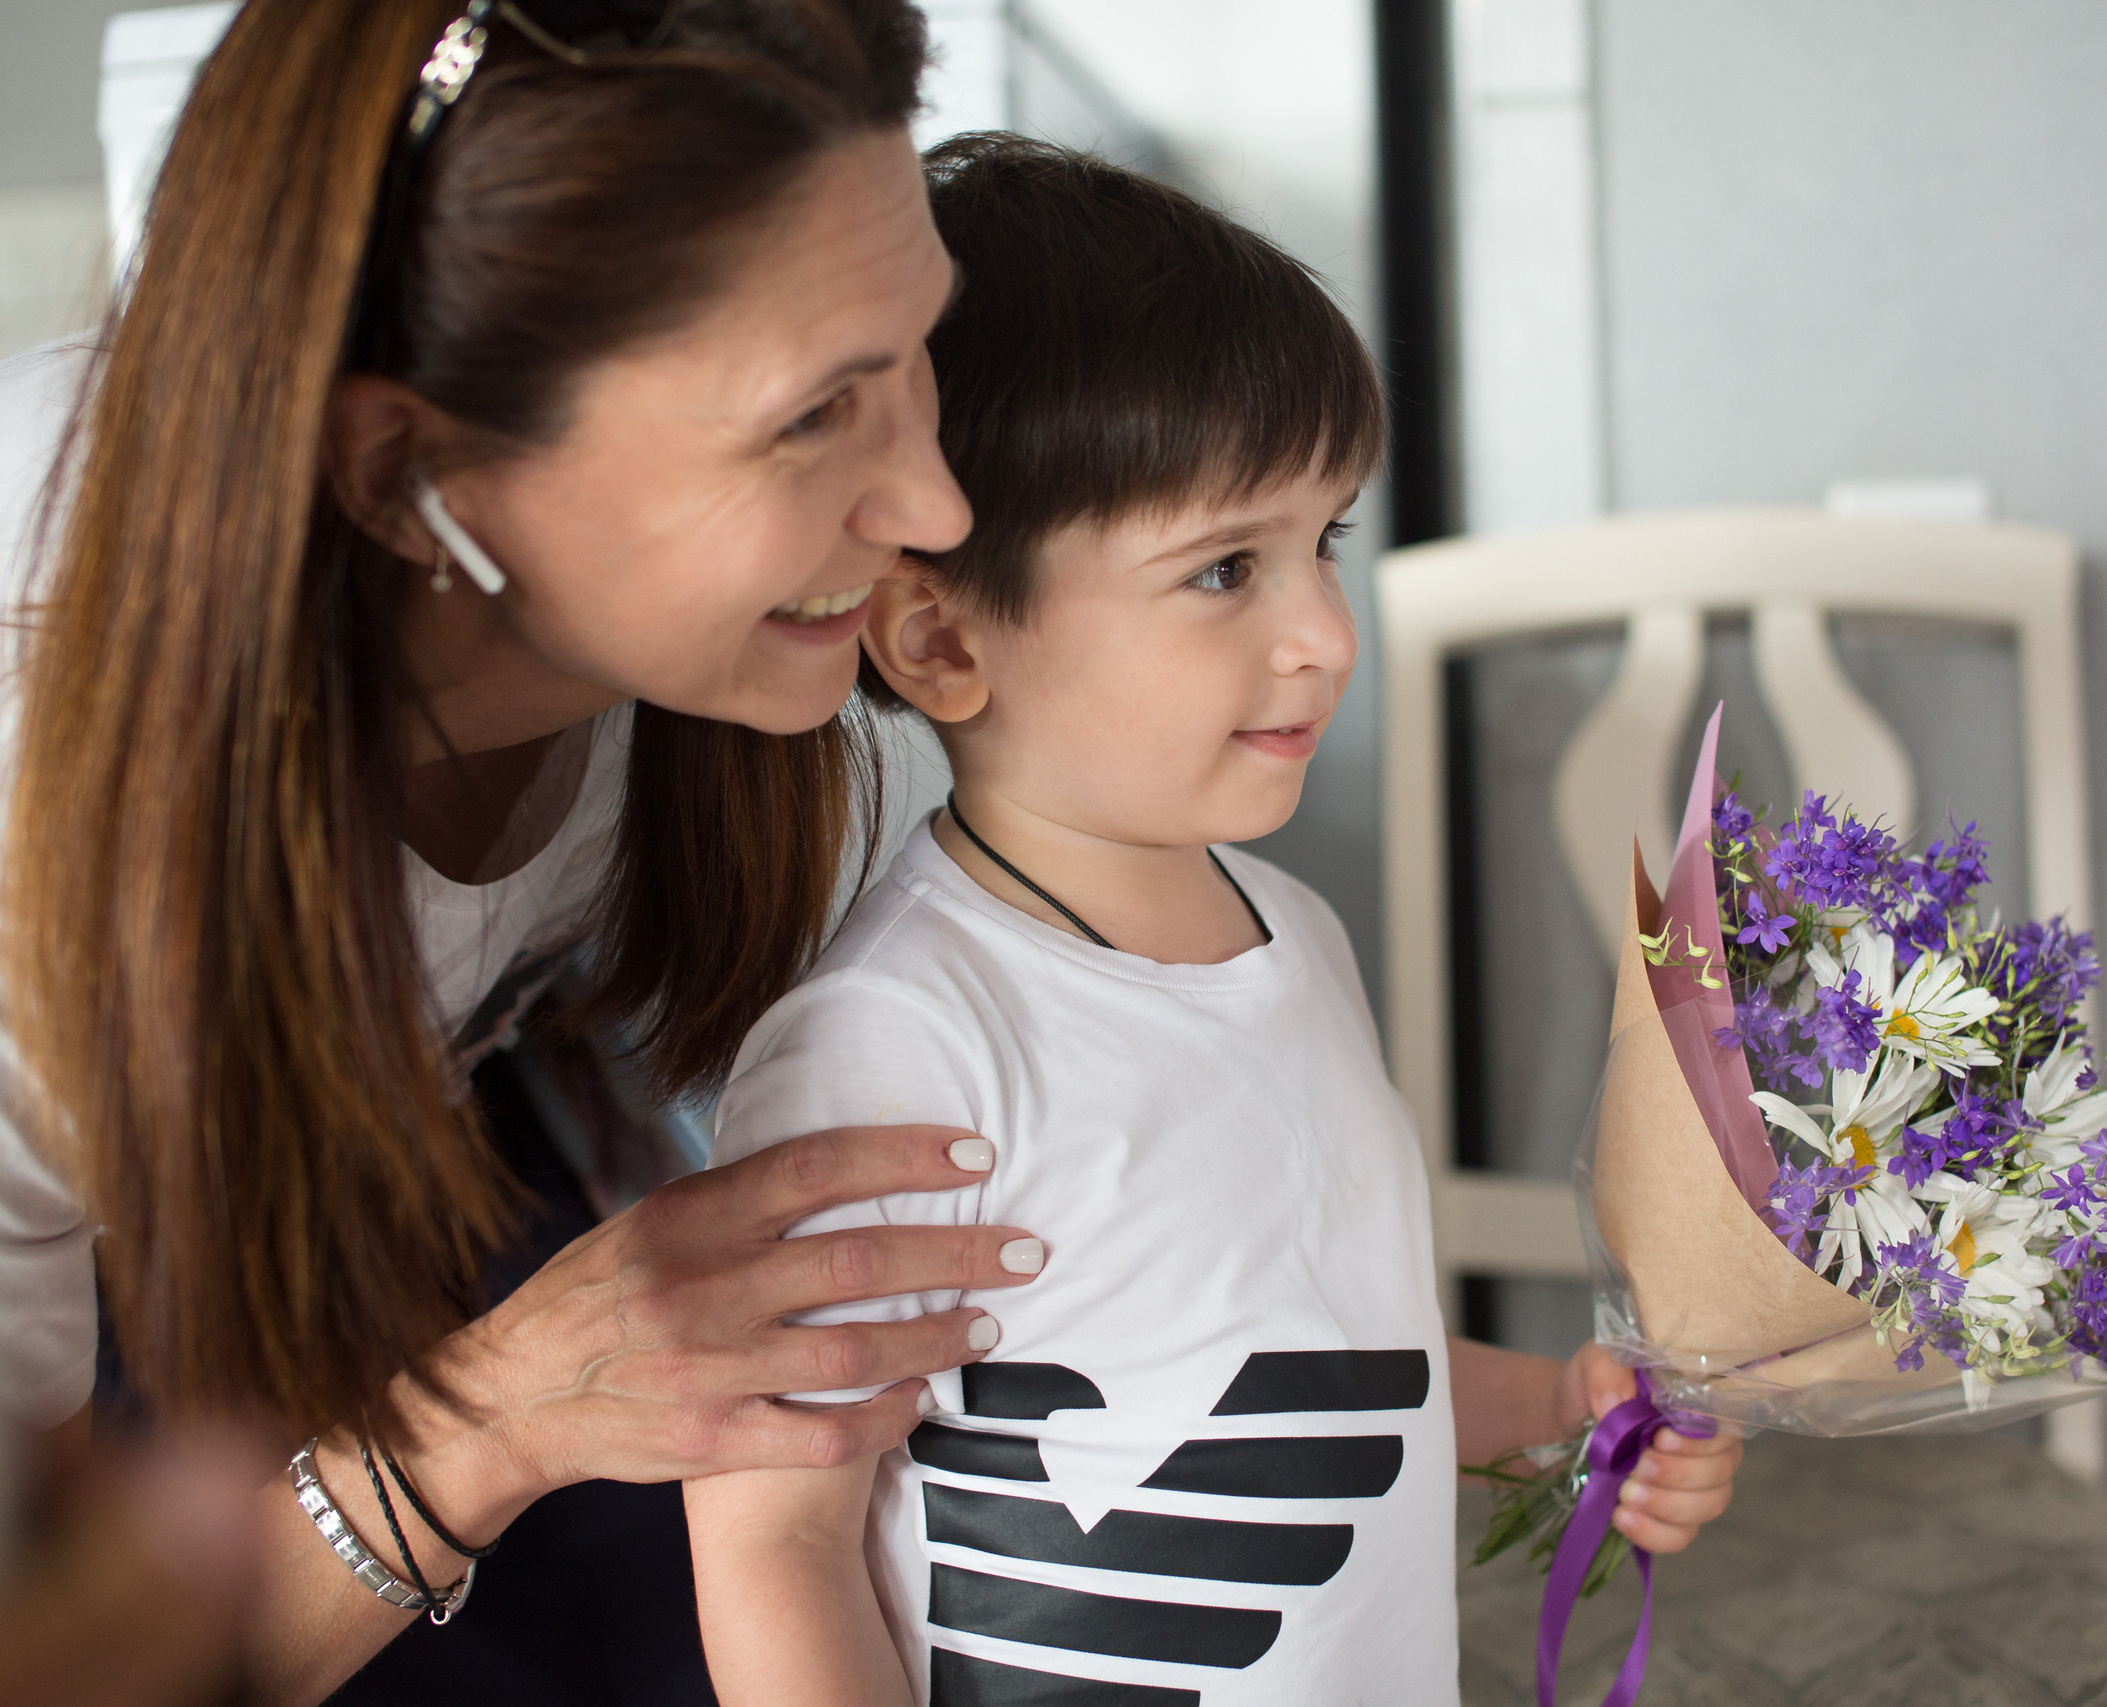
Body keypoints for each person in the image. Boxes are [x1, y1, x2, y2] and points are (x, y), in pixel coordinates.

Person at [0, 4, 1049, 1700]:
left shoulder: (672, 645)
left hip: (415, 1150)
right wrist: (475, 1431)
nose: (933, 503)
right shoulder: (41, 850)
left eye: (913, 355)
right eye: (810, 421)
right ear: (410, 477)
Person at [685, 137, 1746, 1706]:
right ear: (940, 638)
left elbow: (1310, 1373)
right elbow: (775, 1546)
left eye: (1327, 542)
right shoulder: (892, 1045)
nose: (1323, 633)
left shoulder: (1297, 939)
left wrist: (1569, 1407)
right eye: (1225, 569)